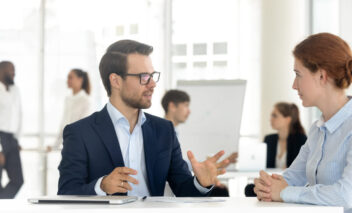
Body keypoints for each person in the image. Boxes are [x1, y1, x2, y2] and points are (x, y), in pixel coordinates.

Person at [58, 40, 229, 197]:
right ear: (116, 81)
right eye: (144, 77)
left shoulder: (164, 130)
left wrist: (201, 183)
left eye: (152, 76)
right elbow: (67, 191)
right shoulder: (80, 133)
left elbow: (183, 189)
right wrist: (101, 186)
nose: (153, 84)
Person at [254, 33, 352, 213]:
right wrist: (267, 186)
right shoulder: (317, 130)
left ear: (322, 76)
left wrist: (284, 192)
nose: (294, 85)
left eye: (298, 74)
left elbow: (347, 196)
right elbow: (290, 179)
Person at [161, 89, 238, 197]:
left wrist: (206, 166)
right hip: (170, 188)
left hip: (178, 184)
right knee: (219, 191)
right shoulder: (161, 133)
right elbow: (174, 166)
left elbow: (179, 163)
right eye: (186, 105)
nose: (189, 111)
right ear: (172, 106)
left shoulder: (174, 132)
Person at [245, 102, 306, 196]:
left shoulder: (300, 140)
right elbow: (265, 166)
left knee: (258, 190)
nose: (270, 119)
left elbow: (299, 171)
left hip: (288, 184)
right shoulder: (269, 139)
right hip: (272, 181)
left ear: (287, 119)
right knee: (250, 188)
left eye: (275, 116)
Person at [47, 69, 91, 151]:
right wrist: (54, 146)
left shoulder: (85, 100)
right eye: (67, 78)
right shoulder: (68, 99)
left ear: (80, 79)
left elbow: (84, 127)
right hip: (67, 145)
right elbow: (63, 124)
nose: (68, 81)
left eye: (71, 78)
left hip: (79, 146)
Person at [0, 61, 23, 198]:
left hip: (11, 138)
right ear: (2, 70)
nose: (14, 73)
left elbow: (20, 114)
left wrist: (17, 139)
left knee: (18, 180)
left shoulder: (16, 90)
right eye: (11, 70)